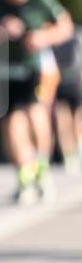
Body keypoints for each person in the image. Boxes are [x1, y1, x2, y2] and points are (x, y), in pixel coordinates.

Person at [0, 0, 73, 204]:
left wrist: (43, 37)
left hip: (37, 68)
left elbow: (65, 27)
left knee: (35, 114)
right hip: (7, 71)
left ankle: (41, 165)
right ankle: (24, 175)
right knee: (12, 123)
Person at [53, 27, 82, 173]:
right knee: (66, 121)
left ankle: (73, 154)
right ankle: (72, 154)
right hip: (65, 84)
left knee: (71, 121)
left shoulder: (53, 38)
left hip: (67, 84)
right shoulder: (75, 36)